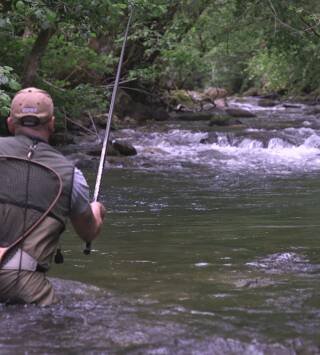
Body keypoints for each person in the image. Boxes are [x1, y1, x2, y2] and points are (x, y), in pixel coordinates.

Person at [0, 87, 105, 306]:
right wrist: (97, 211)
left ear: (11, 123)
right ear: (51, 123)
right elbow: (88, 232)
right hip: (20, 284)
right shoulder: (70, 175)